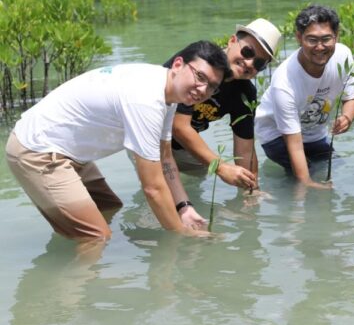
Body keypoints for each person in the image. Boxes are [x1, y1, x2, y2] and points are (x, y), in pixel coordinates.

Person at [5, 41, 230, 242]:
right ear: (178, 64)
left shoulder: (168, 94)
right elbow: (152, 188)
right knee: (96, 238)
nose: (203, 90)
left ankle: (72, 235)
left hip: (69, 152)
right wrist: (181, 236)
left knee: (109, 207)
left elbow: (165, 158)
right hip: (38, 151)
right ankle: (71, 277)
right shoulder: (146, 100)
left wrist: (184, 208)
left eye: (212, 86)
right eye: (200, 77)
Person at [168, 19, 282, 191]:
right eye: (247, 51)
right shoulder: (202, 59)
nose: (249, 63)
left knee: (198, 178)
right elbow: (179, 126)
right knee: (162, 192)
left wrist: (252, 190)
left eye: (259, 63)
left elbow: (245, 150)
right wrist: (221, 167)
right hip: (149, 130)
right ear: (232, 41)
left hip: (180, 145)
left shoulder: (245, 93)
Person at [254, 5, 354, 190]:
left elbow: (351, 99)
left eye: (326, 39)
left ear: (337, 35)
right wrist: (307, 183)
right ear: (299, 38)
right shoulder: (284, 81)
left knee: (334, 166)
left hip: (314, 133)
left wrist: (347, 117)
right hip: (276, 136)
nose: (320, 47)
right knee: (306, 177)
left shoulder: (343, 55)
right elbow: (293, 144)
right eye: (312, 40)